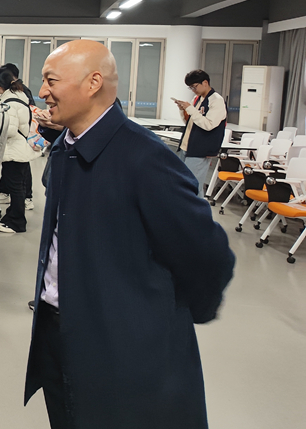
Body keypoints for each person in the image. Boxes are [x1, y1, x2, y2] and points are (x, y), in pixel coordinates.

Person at [25, 40, 235, 429]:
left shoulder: (144, 157)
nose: (42, 92)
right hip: (59, 334)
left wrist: (162, 319)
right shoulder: (65, 150)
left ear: (93, 83)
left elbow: (208, 253)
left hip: (120, 349)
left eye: (51, 81)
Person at [0, 66, 36, 234]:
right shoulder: (19, 96)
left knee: (16, 187)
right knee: (18, 186)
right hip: (19, 149)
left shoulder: (9, 102)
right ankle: (12, 216)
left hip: (14, 151)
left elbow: (10, 129)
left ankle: (17, 222)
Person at [173, 69, 227, 197]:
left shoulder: (216, 100)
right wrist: (183, 110)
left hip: (200, 149)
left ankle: (197, 209)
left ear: (205, 83)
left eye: (194, 86)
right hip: (187, 146)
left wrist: (190, 109)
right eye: (190, 88)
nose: (193, 90)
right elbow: (190, 121)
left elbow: (208, 125)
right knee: (185, 183)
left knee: (192, 186)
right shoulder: (197, 98)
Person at [6, 62, 37, 210]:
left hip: (22, 137)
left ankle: (27, 197)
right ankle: (6, 192)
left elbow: (29, 112)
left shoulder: (22, 92)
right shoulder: (16, 91)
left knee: (22, 168)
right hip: (19, 137)